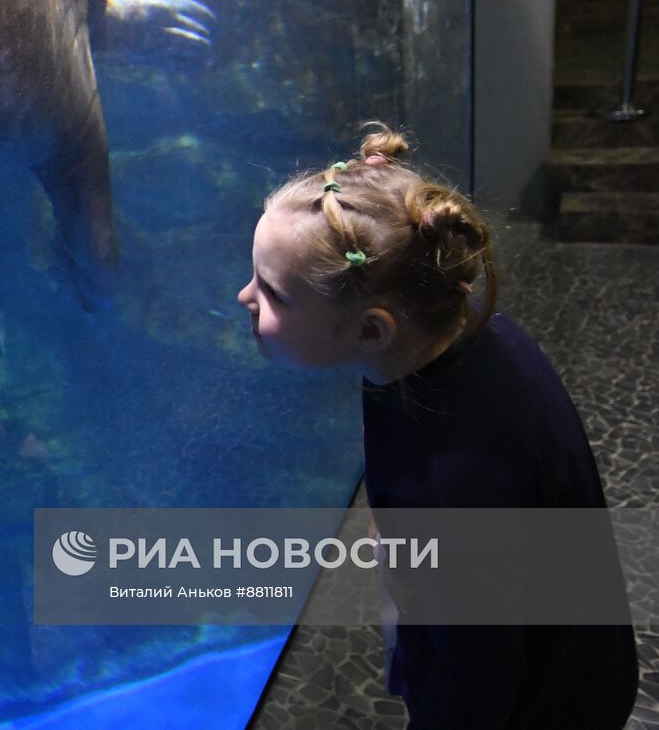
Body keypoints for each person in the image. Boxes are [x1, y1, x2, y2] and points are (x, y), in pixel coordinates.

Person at [236, 123, 638, 729]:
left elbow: (475, 681)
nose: (245, 297)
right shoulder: (464, 327)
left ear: (372, 330)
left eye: (272, 292)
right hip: (577, 653)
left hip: (544, 704)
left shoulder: (451, 487)